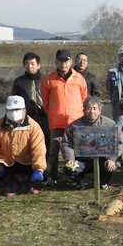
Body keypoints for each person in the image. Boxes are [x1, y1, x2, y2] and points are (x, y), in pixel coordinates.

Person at [0, 95, 47, 196]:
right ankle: (10, 184)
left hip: (27, 162)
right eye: (11, 110)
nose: (14, 113)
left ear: (24, 110)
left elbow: (39, 150)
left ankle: (31, 183)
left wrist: (39, 168)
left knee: (44, 169)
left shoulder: (34, 127)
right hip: (7, 161)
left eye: (17, 110)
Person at [41, 49, 88, 185]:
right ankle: (51, 176)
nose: (64, 64)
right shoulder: (48, 80)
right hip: (56, 122)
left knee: (77, 151)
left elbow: (84, 99)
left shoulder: (79, 78)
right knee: (53, 151)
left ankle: (75, 176)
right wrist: (53, 113)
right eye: (61, 61)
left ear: (71, 62)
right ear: (56, 62)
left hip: (76, 122)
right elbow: (46, 102)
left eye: (66, 61)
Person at [61, 97, 123, 190]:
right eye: (88, 108)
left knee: (112, 167)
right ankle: (79, 182)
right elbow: (66, 143)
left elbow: (121, 142)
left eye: (95, 108)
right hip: (82, 160)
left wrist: (112, 158)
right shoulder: (74, 125)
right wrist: (70, 159)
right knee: (70, 168)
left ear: (100, 110)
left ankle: (105, 183)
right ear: (84, 110)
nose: (91, 111)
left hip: (103, 159)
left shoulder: (110, 124)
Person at [11, 52, 50, 151]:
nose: (30, 66)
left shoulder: (47, 80)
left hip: (45, 118)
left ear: (38, 65)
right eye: (27, 64)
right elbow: (14, 101)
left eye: (33, 63)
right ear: (24, 65)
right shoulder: (19, 82)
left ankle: (46, 165)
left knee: (47, 145)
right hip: (28, 118)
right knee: (28, 144)